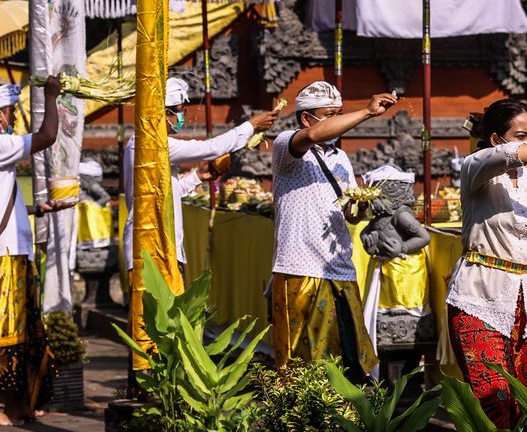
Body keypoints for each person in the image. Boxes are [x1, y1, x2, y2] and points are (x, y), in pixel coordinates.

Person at [269, 80, 398, 376]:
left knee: (347, 357)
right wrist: (366, 111)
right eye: (331, 115)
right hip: (300, 268)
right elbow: (314, 134)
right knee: (302, 359)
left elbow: (350, 215)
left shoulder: (340, 158)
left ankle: (345, 417)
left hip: (339, 268)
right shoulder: (286, 145)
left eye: (339, 114)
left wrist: (361, 206)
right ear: (305, 117)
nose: (339, 123)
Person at [0, 79, 66, 427]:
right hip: (3, 256)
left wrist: (37, 209)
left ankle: (17, 402)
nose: (12, 118)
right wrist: (51, 96)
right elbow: (47, 136)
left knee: (21, 329)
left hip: (13, 251)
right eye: (10, 112)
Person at [446, 100, 527, 428]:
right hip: (478, 296)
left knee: (520, 402)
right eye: (521, 135)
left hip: (526, 301)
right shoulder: (476, 168)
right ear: (495, 138)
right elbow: (507, 157)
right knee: (492, 399)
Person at [122, 76, 279, 274]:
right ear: (163, 113)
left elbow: (168, 192)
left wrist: (198, 177)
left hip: (164, 247)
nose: (182, 117)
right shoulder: (149, 143)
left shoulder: (151, 143)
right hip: (151, 248)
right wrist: (251, 125)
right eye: (178, 111)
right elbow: (210, 148)